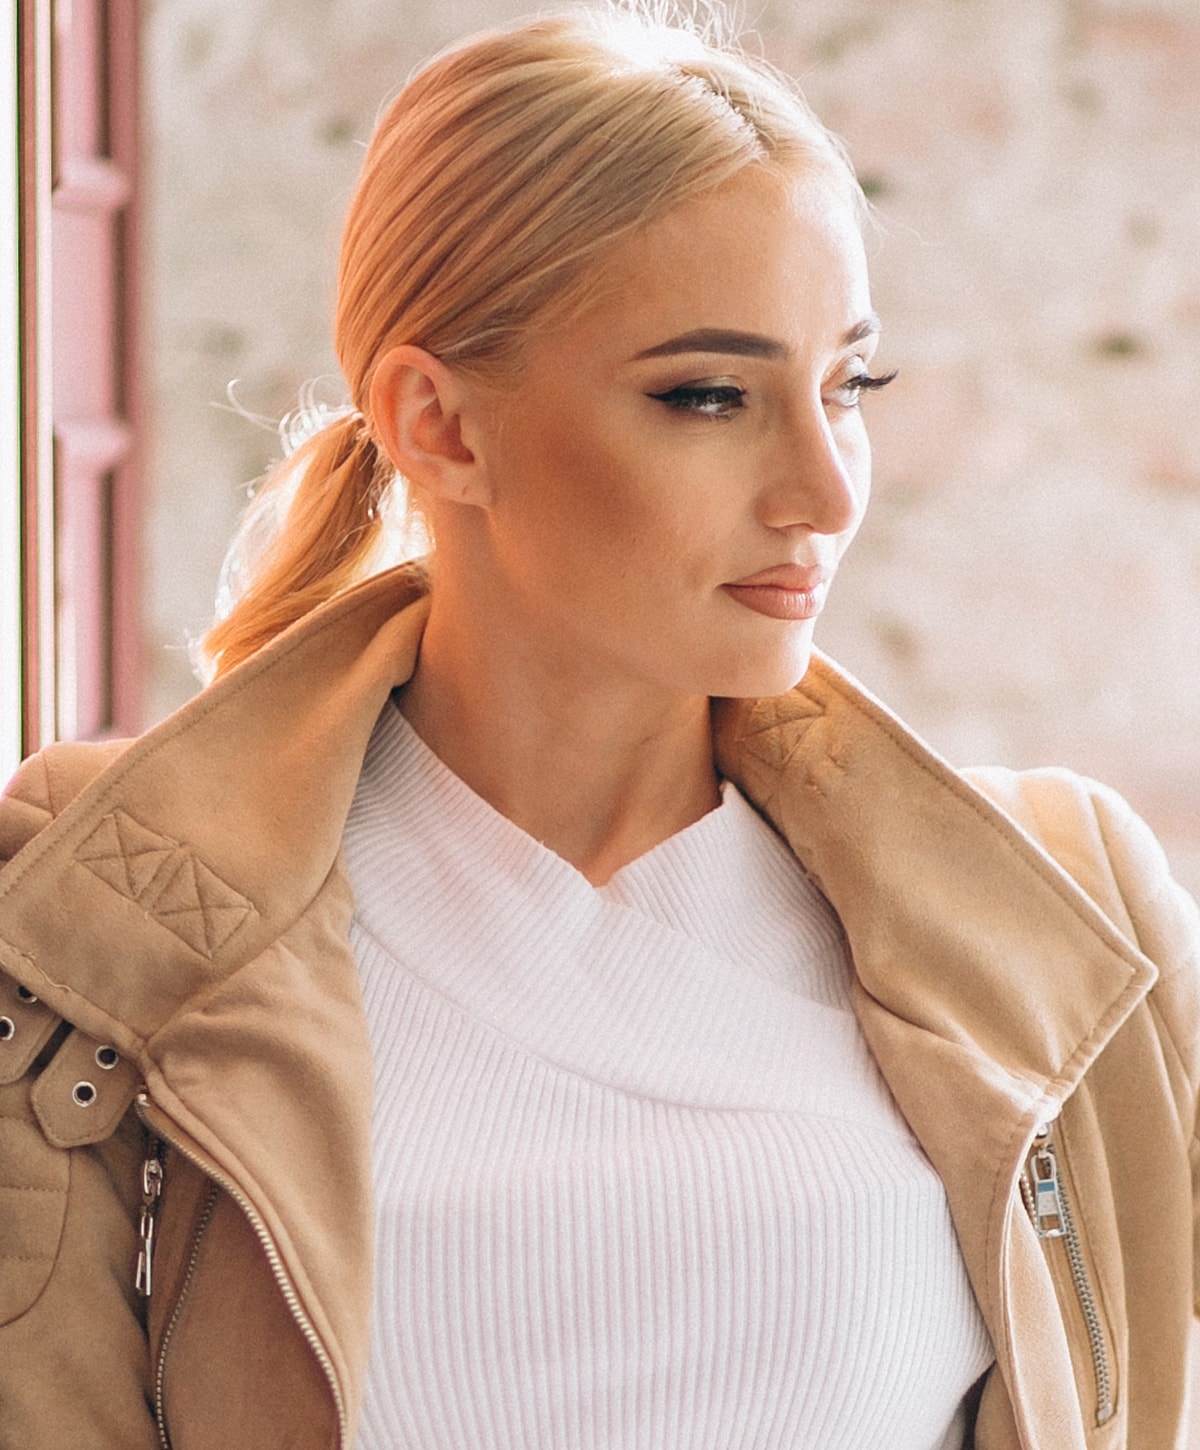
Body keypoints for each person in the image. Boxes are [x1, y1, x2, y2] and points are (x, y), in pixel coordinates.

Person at [0, 6, 1197, 1449]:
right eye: (708, 395)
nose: (824, 489)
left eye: (848, 388)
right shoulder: (79, 922)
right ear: (438, 422)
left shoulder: (1070, 909)